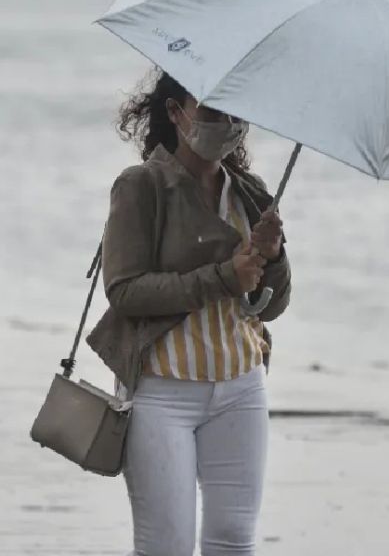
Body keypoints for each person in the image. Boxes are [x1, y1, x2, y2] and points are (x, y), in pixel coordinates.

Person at [86, 69, 292, 555]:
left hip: (242, 387)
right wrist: (224, 276)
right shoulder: (142, 186)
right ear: (177, 114)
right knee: (166, 547)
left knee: (233, 543)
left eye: (237, 113)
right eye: (214, 111)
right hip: (162, 393)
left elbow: (275, 305)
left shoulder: (251, 192)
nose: (228, 123)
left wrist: (274, 255)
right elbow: (126, 291)